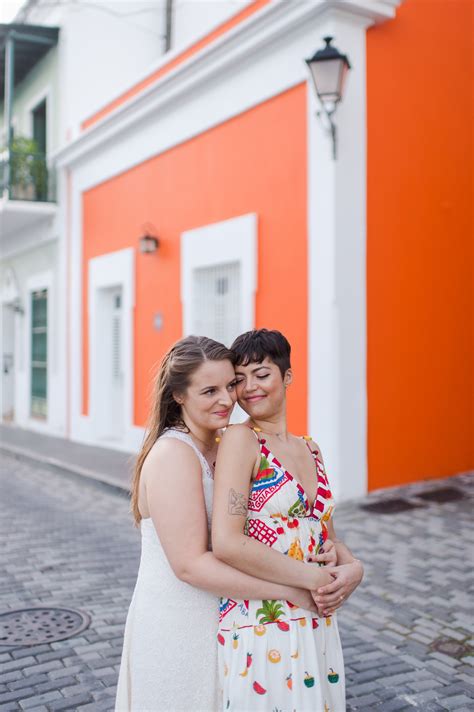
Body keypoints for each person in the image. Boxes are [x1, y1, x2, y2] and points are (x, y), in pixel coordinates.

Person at [115, 335, 324, 712]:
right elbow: (190, 565)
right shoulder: (173, 455)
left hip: (229, 619)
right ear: (179, 395)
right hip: (180, 624)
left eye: (230, 385)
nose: (228, 399)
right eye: (210, 390)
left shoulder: (227, 442)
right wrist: (285, 590)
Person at [212, 328, 364, 711]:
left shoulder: (311, 449)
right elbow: (228, 542)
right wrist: (316, 582)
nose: (249, 389)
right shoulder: (240, 441)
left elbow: (327, 536)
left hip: (315, 618)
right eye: (239, 380)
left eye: (261, 375)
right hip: (264, 618)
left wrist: (353, 569)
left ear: (287, 376)